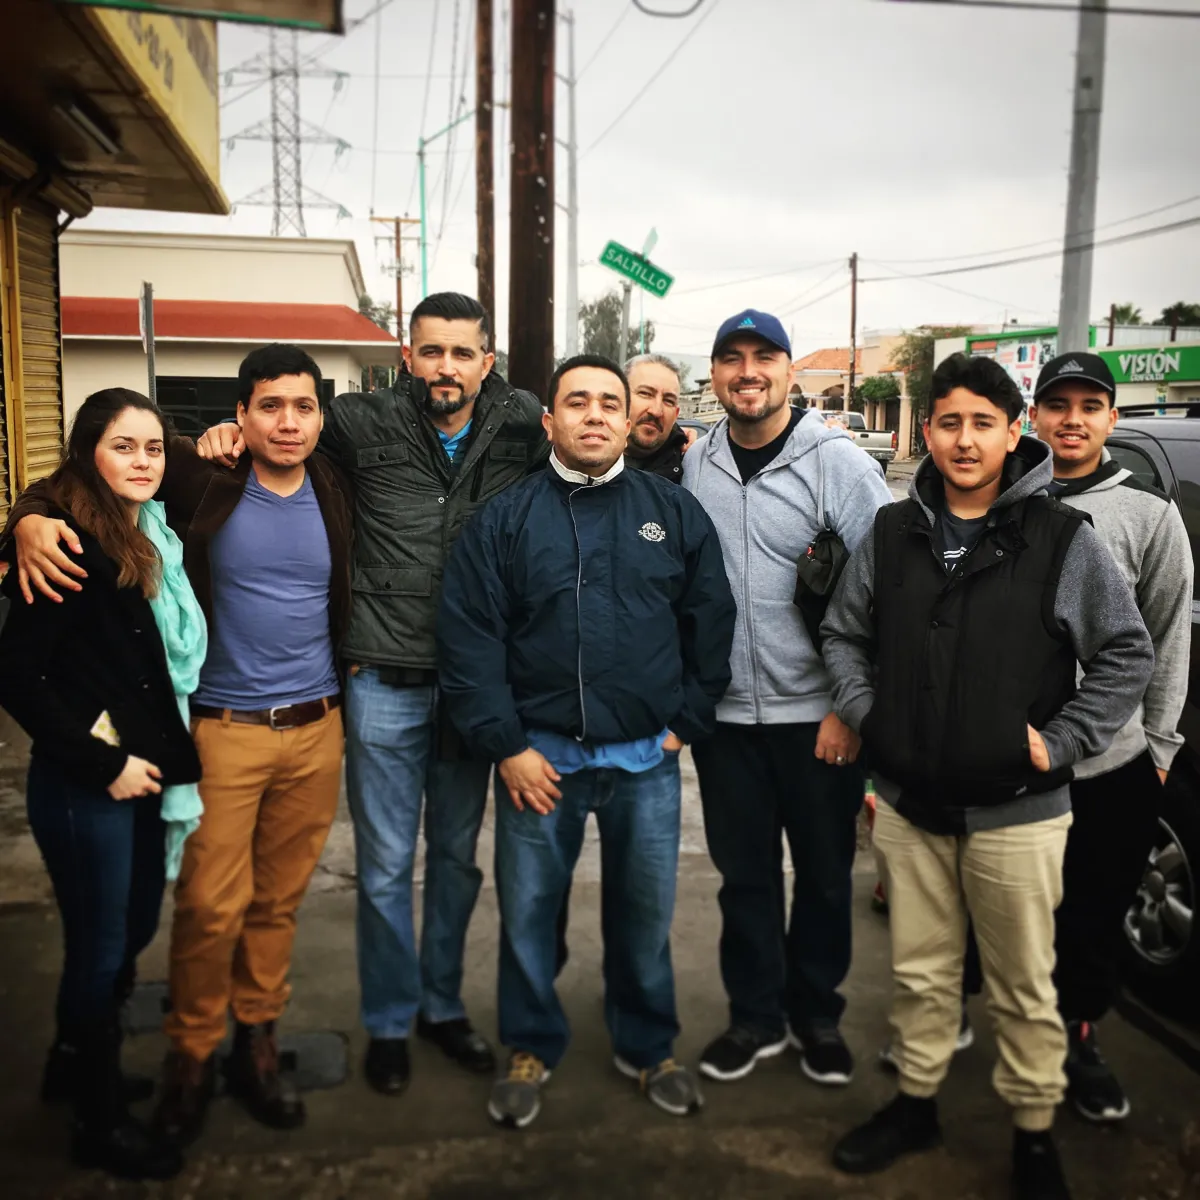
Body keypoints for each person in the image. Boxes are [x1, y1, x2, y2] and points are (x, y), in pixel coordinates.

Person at [196, 294, 548, 1095]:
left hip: (472, 683)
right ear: (406, 355)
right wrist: (219, 435)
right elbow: (266, 441)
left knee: (457, 860)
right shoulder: (358, 421)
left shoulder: (524, 423)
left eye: (462, 354)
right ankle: (389, 1019)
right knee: (387, 864)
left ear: (486, 361)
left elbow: (597, 454)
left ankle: (442, 1007)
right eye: (431, 352)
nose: (446, 369)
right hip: (382, 675)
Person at [821, 352, 1154, 1200]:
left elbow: (1125, 651)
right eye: (947, 422)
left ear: (1015, 434)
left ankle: (1034, 1132)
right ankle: (916, 1105)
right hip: (909, 804)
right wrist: (871, 716)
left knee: (1022, 984)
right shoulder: (892, 532)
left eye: (982, 423)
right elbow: (844, 632)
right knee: (922, 973)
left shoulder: (1061, 540)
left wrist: (1065, 741)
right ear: (926, 432)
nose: (963, 440)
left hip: (1019, 813)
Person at [8, 345, 354, 1146]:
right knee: (206, 907)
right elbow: (84, 484)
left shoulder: (337, 483)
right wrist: (24, 519)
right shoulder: (202, 479)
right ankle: (190, 1058)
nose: (288, 421)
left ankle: (256, 1044)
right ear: (240, 414)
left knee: (276, 905)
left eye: (304, 407)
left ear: (321, 418)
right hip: (223, 729)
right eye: (270, 405)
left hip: (318, 728)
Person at [438, 354, 736, 1129]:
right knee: (531, 915)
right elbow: (470, 640)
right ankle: (531, 1043)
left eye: (611, 401)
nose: (597, 415)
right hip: (541, 762)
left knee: (644, 917)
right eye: (579, 402)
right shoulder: (504, 520)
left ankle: (647, 1045)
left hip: (645, 762)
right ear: (551, 421)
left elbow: (711, 620)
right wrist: (506, 745)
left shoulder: (668, 512)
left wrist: (685, 724)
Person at [683, 309, 892, 1087]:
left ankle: (818, 1018)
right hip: (726, 720)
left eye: (763, 357)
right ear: (715, 375)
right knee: (744, 879)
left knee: (826, 873)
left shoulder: (837, 462)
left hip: (821, 721)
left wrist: (851, 705)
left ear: (790, 369)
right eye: (731, 358)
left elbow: (886, 592)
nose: (747, 372)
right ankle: (755, 1018)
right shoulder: (697, 464)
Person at [0, 388, 205, 1181]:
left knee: (130, 929)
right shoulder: (66, 542)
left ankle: (69, 1064)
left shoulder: (148, 531)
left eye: (154, 448)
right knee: (101, 951)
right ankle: (97, 1121)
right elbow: (15, 672)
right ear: (90, 451)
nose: (143, 462)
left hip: (146, 770)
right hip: (88, 786)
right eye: (124, 447)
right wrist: (101, 761)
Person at [1030, 352, 1192, 1123]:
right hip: (1013, 763)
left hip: (1108, 766)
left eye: (1088, 405)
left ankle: (1078, 1037)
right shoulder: (1009, 498)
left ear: (1110, 418)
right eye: (1056, 405)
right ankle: (963, 1018)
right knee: (995, 907)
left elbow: (1164, 637)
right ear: (1034, 418)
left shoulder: (1151, 517)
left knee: (1090, 916)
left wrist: (1158, 747)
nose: (1072, 419)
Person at [622, 352, 688, 481]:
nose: (656, 411)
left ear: (676, 414)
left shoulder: (690, 469)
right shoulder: (580, 461)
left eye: (668, 401)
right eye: (646, 393)